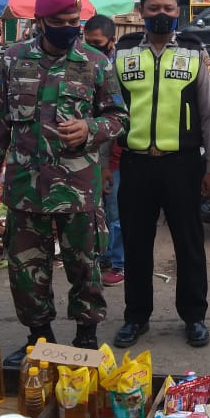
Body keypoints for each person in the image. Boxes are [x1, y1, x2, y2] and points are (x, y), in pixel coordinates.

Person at [0, 0, 127, 355]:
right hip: (26, 189)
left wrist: (90, 128)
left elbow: (119, 117)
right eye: (60, 19)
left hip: (78, 191)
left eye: (74, 18)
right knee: (26, 273)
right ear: (40, 21)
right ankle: (39, 339)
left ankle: (86, 341)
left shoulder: (96, 63)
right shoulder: (12, 61)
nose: (69, 26)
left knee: (85, 269)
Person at [112, 0, 210, 350]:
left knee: (189, 244)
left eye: (168, 9)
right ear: (141, 10)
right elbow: (109, 110)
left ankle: (194, 317)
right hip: (135, 164)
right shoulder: (123, 52)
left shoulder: (194, 51)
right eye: (154, 8)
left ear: (179, 12)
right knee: (136, 243)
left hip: (183, 165)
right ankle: (135, 317)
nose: (161, 15)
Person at [84, 15, 124, 286]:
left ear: (112, 42)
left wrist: (110, 163)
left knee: (115, 212)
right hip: (92, 156)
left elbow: (120, 121)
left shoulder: (118, 70)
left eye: (97, 44)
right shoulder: (84, 67)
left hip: (113, 158)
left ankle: (120, 263)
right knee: (100, 212)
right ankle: (108, 255)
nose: (91, 48)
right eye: (87, 43)